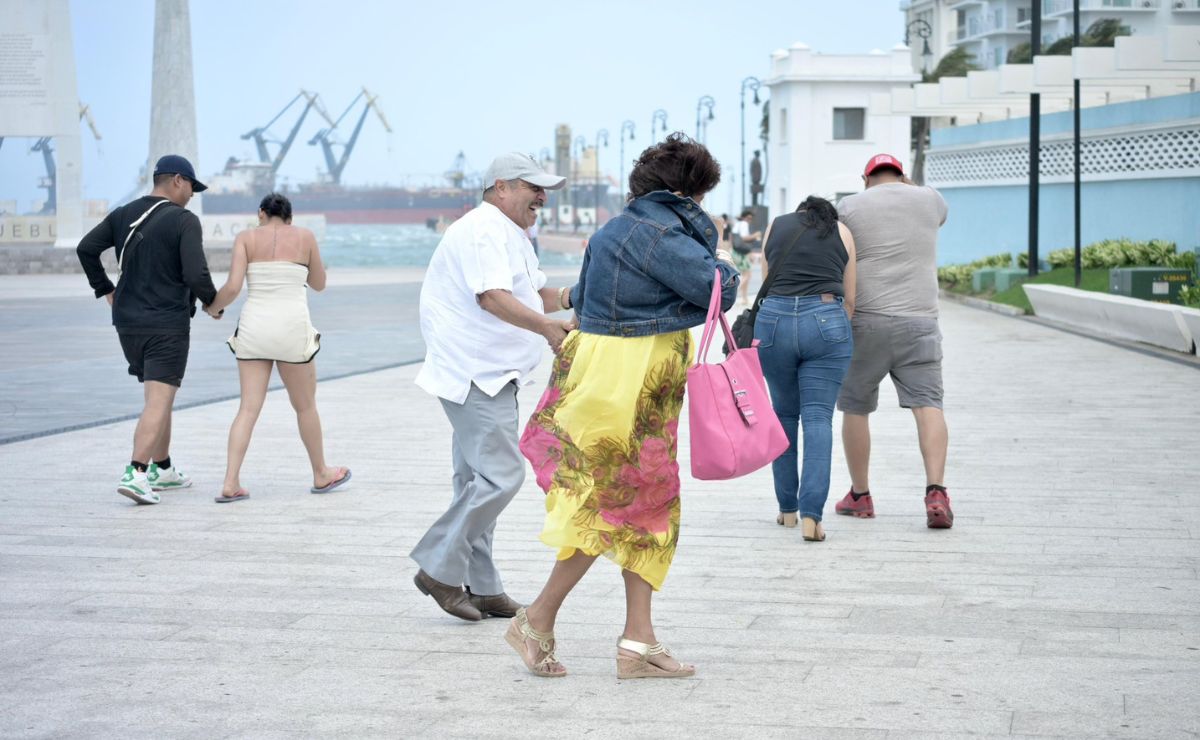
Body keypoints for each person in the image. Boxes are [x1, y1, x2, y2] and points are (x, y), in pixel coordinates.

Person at [514, 133, 739, 679]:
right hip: (633, 377)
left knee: (646, 506)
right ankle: (539, 619)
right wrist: (724, 255)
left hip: (608, 370)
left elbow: (588, 299)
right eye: (702, 194)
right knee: (619, 503)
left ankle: (637, 641)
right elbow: (719, 290)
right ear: (687, 190)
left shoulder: (612, 230)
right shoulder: (662, 231)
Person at [411, 152, 573, 622]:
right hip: (477, 372)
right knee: (503, 476)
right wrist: (547, 329)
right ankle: (437, 568)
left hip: (488, 372)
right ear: (500, 187)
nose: (542, 196)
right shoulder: (483, 228)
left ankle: (482, 586)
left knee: (475, 481)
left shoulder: (509, 232)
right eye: (533, 187)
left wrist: (572, 298)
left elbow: (530, 291)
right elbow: (492, 298)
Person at [77, 154, 219, 505]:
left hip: (127, 323)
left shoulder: (123, 213)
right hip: (166, 323)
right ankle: (136, 472)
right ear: (176, 181)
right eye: (191, 187)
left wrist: (105, 289)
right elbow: (195, 273)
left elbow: (86, 249)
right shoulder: (185, 220)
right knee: (159, 399)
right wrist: (212, 302)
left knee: (159, 396)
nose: (191, 195)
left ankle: (163, 469)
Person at [203, 193, 349, 503]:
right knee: (305, 406)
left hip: (254, 328)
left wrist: (213, 308)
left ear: (261, 213)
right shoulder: (305, 236)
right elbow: (320, 284)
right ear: (290, 218)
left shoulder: (245, 238)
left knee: (248, 408)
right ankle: (321, 473)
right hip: (292, 329)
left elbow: (232, 287)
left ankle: (230, 482)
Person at [834, 154, 953, 529]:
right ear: (903, 176)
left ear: (866, 178)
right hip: (920, 321)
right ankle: (936, 490)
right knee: (928, 404)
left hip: (866, 322)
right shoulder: (930, 198)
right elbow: (937, 216)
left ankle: (860, 494)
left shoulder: (849, 206)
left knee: (856, 408)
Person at [755, 196, 857, 542]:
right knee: (817, 418)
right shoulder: (841, 231)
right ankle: (812, 517)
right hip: (826, 318)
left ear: (798, 212)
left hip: (773, 322)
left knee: (783, 415)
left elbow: (766, 283)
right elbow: (852, 298)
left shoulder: (774, 226)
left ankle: (787, 511)